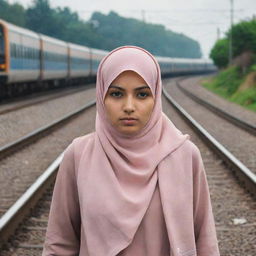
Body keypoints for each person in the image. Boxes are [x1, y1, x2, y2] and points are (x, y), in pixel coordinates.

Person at [42, 46, 220, 256]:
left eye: (142, 94)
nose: (129, 106)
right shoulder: (79, 155)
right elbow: (60, 243)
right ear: (101, 96)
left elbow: (205, 239)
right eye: (116, 94)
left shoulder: (184, 155)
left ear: (156, 97)